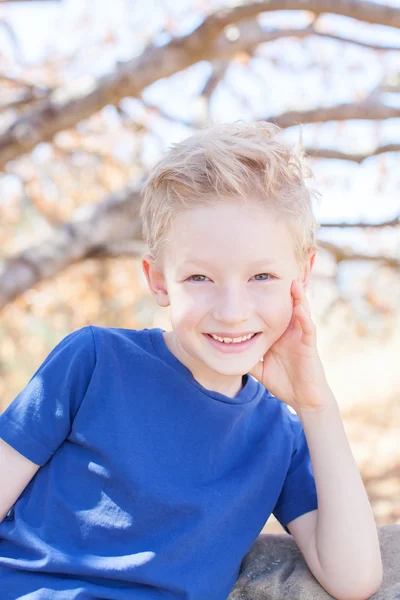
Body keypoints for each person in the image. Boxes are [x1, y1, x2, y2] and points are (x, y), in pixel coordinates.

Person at [0, 122, 382, 600]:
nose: (231, 310)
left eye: (261, 275)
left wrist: (317, 404)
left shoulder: (279, 434)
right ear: (159, 280)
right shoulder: (95, 362)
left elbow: (356, 578)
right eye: (200, 278)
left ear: (301, 276)